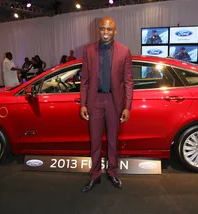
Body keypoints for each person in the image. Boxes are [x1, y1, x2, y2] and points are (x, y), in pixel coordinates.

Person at [80, 16, 133, 193]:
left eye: (109, 29)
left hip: (114, 102)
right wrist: (83, 104)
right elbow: (85, 81)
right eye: (103, 28)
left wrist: (127, 106)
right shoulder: (88, 51)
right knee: (95, 141)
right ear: (99, 30)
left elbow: (128, 81)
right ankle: (95, 175)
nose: (105, 32)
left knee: (112, 141)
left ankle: (112, 172)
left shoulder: (124, 51)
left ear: (115, 31)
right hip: (94, 102)